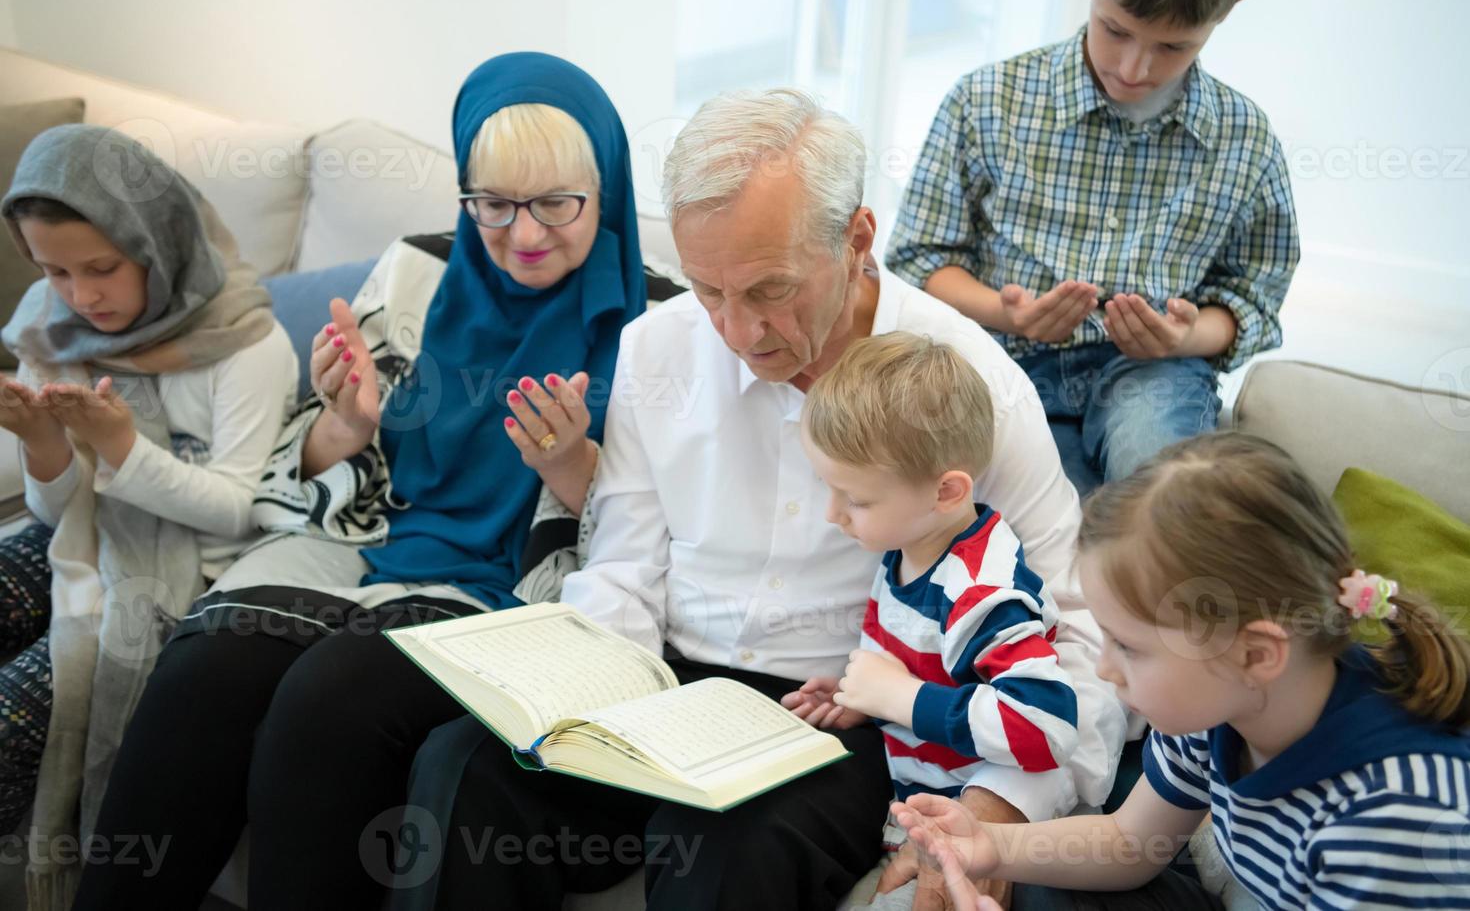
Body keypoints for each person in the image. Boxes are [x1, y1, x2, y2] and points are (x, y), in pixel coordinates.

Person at [396, 88, 1125, 911]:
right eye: (709, 291)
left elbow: (1078, 635)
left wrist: (996, 815)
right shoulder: (657, 347)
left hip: (844, 721)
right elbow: (624, 564)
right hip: (662, 686)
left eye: (770, 289)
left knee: (725, 843)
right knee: (464, 768)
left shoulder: (970, 384)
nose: (738, 332)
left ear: (856, 241)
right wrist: (577, 705)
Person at [70, 53, 647, 910]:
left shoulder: (653, 323)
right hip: (368, 542)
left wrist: (570, 467)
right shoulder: (416, 267)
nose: (524, 235)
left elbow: (651, 540)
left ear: (605, 193)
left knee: (327, 702)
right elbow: (310, 470)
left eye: (557, 205)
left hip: (513, 591)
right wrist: (343, 423)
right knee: (203, 670)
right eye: (492, 204)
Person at [893, 432, 1470, 911]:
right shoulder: (1219, 704)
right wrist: (989, 845)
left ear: (1256, 654)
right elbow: (1130, 842)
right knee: (1044, 887)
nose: (1102, 668)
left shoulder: (1392, 821)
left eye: (1129, 647)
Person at [887, 0, 1299, 497]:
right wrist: (1007, 314)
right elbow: (919, 261)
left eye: (1173, 47)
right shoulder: (986, 101)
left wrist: (1181, 339)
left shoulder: (1245, 141)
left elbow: (1252, 297)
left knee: (1155, 501)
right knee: (1037, 515)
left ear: (1229, 9)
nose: (1134, 68)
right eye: (1116, 31)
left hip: (1155, 375)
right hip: (1005, 362)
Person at [0, 124, 296, 903]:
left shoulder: (247, 341)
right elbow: (58, 508)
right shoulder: (47, 321)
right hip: (77, 538)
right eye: (55, 270)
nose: (81, 296)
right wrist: (44, 447)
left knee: (13, 720)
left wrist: (125, 450)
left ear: (157, 243)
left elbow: (237, 511)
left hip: (184, 570)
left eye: (102, 268)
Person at [787, 331, 1080, 911]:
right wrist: (863, 700)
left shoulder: (981, 590)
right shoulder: (909, 541)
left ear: (946, 491)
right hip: (915, 812)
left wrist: (901, 697)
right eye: (829, 487)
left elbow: (1047, 728)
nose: (833, 514)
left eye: (857, 499)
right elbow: (911, 668)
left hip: (976, 835)